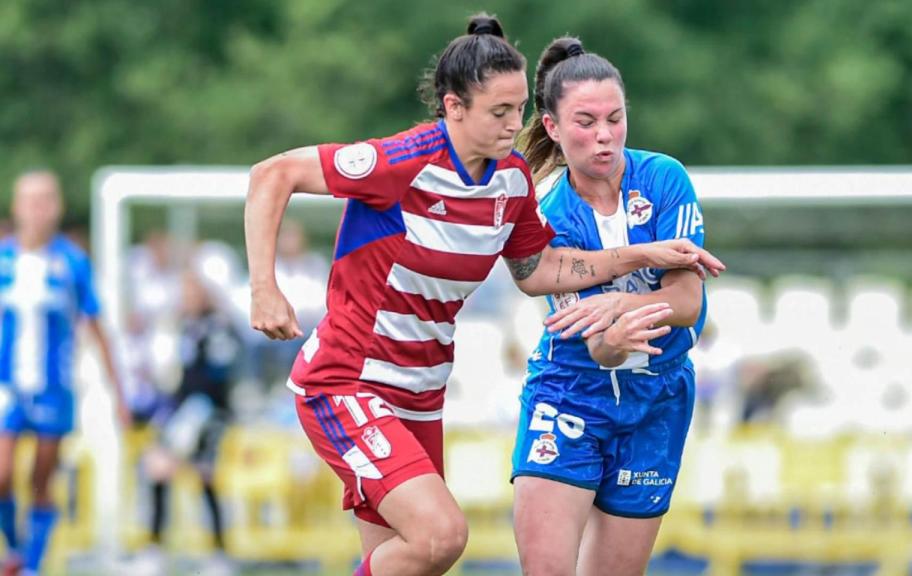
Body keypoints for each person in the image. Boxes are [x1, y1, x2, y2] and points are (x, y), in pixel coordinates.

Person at [244, 15, 725, 576]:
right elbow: (272, 175)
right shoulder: (400, 163)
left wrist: (643, 254)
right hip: (350, 378)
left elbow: (541, 270)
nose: (512, 125)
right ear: (453, 108)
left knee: (400, 563)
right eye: (499, 112)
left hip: (421, 392)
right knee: (440, 538)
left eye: (518, 110)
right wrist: (263, 287)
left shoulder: (513, 181)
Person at [509, 38, 711, 576]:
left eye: (615, 119)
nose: (604, 136)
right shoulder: (550, 216)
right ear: (552, 127)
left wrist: (622, 303)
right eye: (586, 121)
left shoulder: (664, 179)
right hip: (572, 392)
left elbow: (688, 302)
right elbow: (599, 345)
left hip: (660, 397)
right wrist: (618, 330)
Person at [0, 170, 129, 576]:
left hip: (54, 388)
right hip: (6, 386)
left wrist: (118, 394)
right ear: (17, 207)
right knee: (1, 475)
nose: (38, 209)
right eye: (30, 200)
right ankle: (16, 550)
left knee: (42, 478)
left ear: (56, 207)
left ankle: (32, 566)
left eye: (46, 200)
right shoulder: (3, 257)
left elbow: (96, 328)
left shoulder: (72, 262)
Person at [130, 269, 239, 576]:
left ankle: (218, 554)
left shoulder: (217, 328)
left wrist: (200, 413)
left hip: (206, 413)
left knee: (203, 476)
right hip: (182, 411)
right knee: (158, 472)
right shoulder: (181, 327)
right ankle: (155, 549)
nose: (187, 299)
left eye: (193, 293)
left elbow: (218, 377)